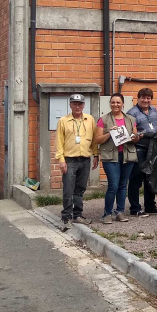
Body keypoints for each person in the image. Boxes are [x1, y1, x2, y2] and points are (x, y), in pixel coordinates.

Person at [55, 94, 99, 231]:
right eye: (75, 103)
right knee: (68, 189)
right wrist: (61, 160)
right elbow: (59, 142)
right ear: (70, 105)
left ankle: (77, 214)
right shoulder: (63, 121)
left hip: (85, 159)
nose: (78, 106)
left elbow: (94, 138)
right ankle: (66, 216)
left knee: (80, 189)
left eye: (80, 104)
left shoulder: (90, 119)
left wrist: (96, 154)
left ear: (84, 105)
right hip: (70, 159)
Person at [94, 93, 137, 224]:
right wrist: (109, 133)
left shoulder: (130, 119)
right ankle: (107, 213)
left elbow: (135, 136)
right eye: (113, 102)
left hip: (126, 155)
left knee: (123, 185)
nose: (115, 105)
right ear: (110, 104)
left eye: (118, 102)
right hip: (110, 156)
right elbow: (97, 139)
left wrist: (136, 137)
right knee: (113, 185)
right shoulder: (104, 119)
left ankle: (120, 212)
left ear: (123, 104)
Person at [127, 88, 157, 216]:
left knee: (150, 178)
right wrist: (146, 134)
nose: (146, 100)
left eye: (148, 98)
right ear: (138, 98)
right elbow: (132, 132)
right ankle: (135, 208)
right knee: (136, 179)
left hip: (153, 149)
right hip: (139, 149)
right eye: (143, 97)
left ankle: (150, 206)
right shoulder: (132, 113)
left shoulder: (154, 110)